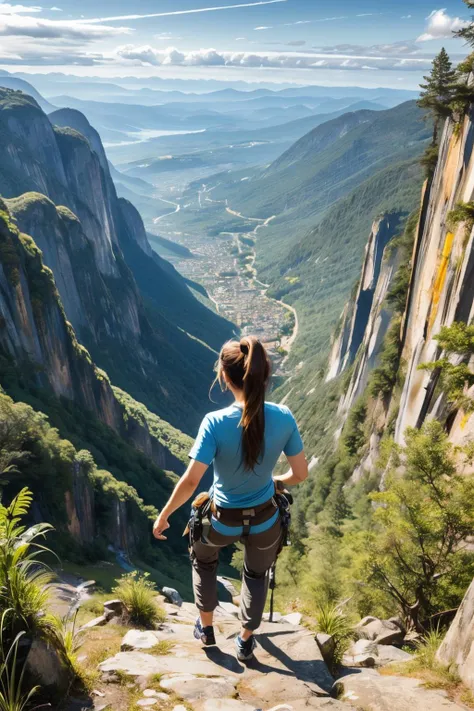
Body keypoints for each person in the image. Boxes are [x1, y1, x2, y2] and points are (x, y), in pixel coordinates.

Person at [153, 335, 308, 662]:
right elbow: (300, 474)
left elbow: (193, 480)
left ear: (225, 376)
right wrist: (275, 480)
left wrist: (165, 514)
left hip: (222, 520)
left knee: (204, 559)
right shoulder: (284, 417)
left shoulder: (214, 422)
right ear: (263, 374)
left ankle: (206, 629)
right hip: (266, 519)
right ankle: (245, 639)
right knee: (255, 575)